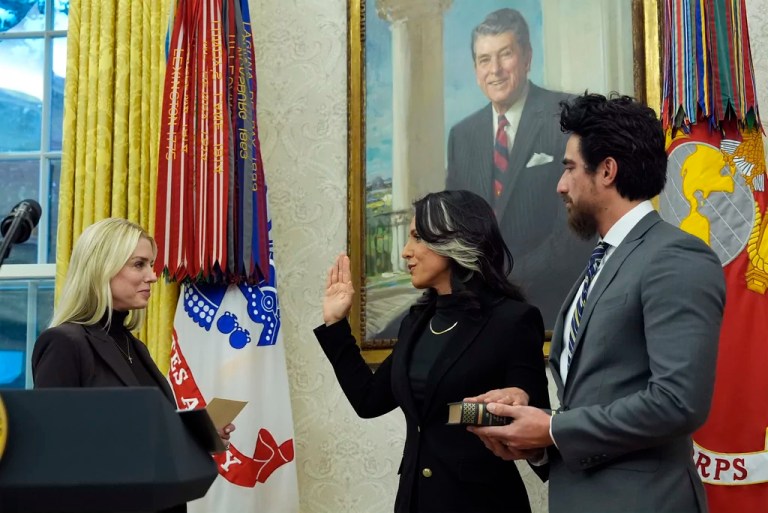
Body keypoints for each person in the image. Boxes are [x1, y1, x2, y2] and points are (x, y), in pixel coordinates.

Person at [467, 93, 727, 513]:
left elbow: (678, 403)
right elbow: (593, 401)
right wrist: (535, 440)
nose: (560, 185)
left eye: (569, 168)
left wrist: (553, 428)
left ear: (607, 170)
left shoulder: (675, 256)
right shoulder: (602, 262)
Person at [315, 190, 549, 513]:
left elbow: (536, 429)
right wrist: (335, 324)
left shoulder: (513, 321)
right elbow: (368, 400)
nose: (405, 252)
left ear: (454, 240)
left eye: (416, 237)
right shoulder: (416, 323)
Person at [32, 218, 234, 513]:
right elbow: (53, 450)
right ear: (102, 266)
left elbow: (143, 431)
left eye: (150, 265)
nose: (153, 276)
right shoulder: (64, 343)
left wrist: (198, 435)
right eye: (139, 264)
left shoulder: (134, 346)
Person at [446, 7, 594, 328]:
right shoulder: (462, 136)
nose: (495, 69)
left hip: (551, 308)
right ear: (475, 69)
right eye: (484, 60)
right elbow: (455, 229)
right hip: (478, 312)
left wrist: (502, 280)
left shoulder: (566, 117)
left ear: (527, 57)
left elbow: (575, 236)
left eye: (505, 54)